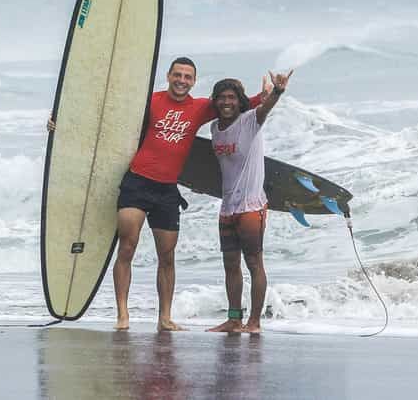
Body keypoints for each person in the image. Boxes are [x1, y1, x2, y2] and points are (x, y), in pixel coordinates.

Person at [48, 57, 268, 331]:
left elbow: (235, 105)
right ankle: (122, 316)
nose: (182, 80)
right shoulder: (150, 100)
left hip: (167, 190)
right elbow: (110, 119)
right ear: (169, 75)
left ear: (194, 81)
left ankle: (164, 318)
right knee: (127, 246)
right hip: (137, 182)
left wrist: (269, 95)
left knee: (167, 256)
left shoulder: (201, 108)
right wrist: (64, 124)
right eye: (178, 75)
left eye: (188, 77)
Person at [207, 70, 292, 334]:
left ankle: (254, 322)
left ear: (240, 100)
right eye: (221, 97)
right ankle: (234, 319)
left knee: (254, 263)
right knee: (230, 264)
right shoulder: (214, 128)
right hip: (228, 207)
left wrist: (277, 92)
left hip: (251, 207)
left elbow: (265, 109)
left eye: (231, 97)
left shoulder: (250, 121)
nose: (226, 102)